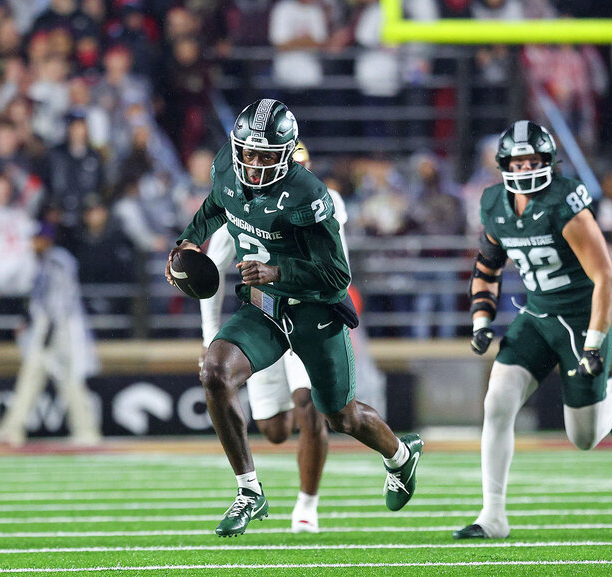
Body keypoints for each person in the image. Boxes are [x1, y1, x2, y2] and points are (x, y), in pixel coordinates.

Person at [166, 99, 423, 538]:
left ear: (286, 154)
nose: (253, 162)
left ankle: (400, 455)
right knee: (215, 371)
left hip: (315, 313)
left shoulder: (308, 195)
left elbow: (338, 276)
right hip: (263, 308)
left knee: (339, 417)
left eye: (265, 155)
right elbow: (215, 205)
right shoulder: (228, 169)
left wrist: (277, 271)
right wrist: (189, 241)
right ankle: (249, 491)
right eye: (247, 152)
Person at [453, 120, 612, 540]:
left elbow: (606, 277)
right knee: (497, 402)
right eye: (519, 160)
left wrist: (594, 342)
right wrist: (482, 320)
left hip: (579, 319)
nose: (527, 167)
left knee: (583, 438)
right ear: (503, 165)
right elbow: (487, 266)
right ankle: (492, 516)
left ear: (549, 162)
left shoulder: (563, 202)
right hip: (536, 315)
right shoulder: (496, 203)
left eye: (534, 160)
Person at [198, 141, 344, 534]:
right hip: (263, 315)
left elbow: (331, 268)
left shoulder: (318, 201)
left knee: (308, 404)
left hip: (308, 312)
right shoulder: (243, 205)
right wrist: (211, 338)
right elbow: (214, 266)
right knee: (275, 429)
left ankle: (306, 506)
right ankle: (259, 488)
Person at [0, 222, 101, 447]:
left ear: (47, 240)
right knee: (32, 379)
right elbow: (30, 293)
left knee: (70, 381)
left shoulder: (58, 260)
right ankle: (12, 430)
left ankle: (86, 431)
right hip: (45, 328)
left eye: (38, 238)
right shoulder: (37, 260)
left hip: (63, 328)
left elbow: (61, 300)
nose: (34, 242)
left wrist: (48, 330)